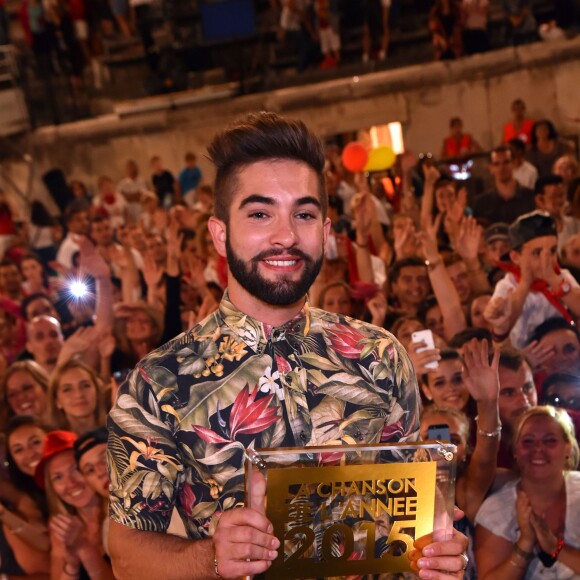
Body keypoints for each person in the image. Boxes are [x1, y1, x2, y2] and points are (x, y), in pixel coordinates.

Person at [107, 112, 469, 578]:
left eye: (304, 214)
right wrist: (212, 556)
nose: (286, 236)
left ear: (325, 229)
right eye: (260, 214)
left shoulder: (379, 355)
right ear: (220, 234)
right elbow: (127, 553)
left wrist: (433, 551)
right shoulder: (159, 382)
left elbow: (405, 515)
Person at [475, 405, 580, 578]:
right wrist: (524, 543)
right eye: (528, 441)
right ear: (515, 450)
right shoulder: (495, 510)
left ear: (567, 448)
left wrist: (555, 547)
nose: (538, 448)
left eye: (550, 440)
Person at [484, 211, 580, 349]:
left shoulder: (562, 277)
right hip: (524, 360)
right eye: (537, 253)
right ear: (516, 258)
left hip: (562, 355)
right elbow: (504, 327)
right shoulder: (507, 285)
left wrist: (552, 279)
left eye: (552, 251)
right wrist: (525, 283)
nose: (546, 260)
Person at [35, 430, 114, 580]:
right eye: (58, 477)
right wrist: (71, 565)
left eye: (75, 470)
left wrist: (83, 547)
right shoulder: (62, 528)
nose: (70, 483)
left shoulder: (124, 515)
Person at [472, 146, 535, 225]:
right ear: (490, 168)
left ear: (514, 163)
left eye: (506, 162)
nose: (502, 168)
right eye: (496, 164)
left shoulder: (531, 198)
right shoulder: (481, 203)